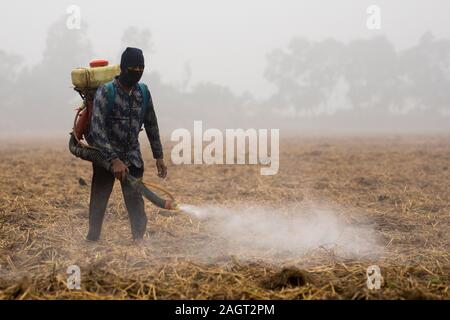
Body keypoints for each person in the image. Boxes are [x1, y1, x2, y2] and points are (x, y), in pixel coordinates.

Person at [85, 47, 167, 242]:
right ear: (123, 68)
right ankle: (92, 239)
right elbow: (97, 129)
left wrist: (159, 156)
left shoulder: (143, 92)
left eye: (141, 67)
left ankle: (138, 241)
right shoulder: (107, 91)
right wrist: (113, 160)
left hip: (132, 156)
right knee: (99, 198)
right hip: (105, 156)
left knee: (135, 199)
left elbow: (151, 124)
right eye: (133, 67)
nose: (138, 71)